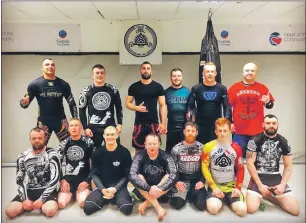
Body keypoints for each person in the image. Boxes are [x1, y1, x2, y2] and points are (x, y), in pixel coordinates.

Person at [246, 114, 300, 216]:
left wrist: (282, 184)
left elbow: (288, 167)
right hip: (259, 176)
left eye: (274, 123)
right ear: (263, 124)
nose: (271, 125)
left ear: (277, 125)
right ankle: (264, 194)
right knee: (250, 208)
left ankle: (270, 196)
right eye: (268, 123)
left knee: (295, 210)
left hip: (275, 176)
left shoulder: (284, 142)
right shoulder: (254, 140)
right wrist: (260, 185)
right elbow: (249, 163)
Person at [5, 127, 61, 218]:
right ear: (30, 139)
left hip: (47, 190)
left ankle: (41, 205)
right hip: (29, 191)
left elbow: (55, 178)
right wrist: (24, 199)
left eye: (40, 138)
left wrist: (41, 200)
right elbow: (19, 179)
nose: (37, 141)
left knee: (50, 211)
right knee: (9, 212)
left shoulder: (52, 154)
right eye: (34, 138)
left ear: (45, 138)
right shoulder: (23, 156)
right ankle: (29, 204)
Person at [20, 58, 78, 144]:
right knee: (39, 146)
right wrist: (24, 102)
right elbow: (24, 104)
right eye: (47, 64)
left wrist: (75, 119)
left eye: (52, 65)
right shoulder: (35, 84)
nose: (50, 66)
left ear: (55, 68)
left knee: (69, 146)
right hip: (44, 122)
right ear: (42, 68)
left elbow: (71, 103)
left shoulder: (63, 84)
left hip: (61, 121)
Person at [83, 126, 133, 216]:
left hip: (119, 187)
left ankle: (114, 197)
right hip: (103, 187)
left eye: (112, 134)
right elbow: (94, 174)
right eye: (108, 135)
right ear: (104, 136)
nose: (110, 137)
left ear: (117, 135)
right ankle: (105, 197)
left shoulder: (125, 152)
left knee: (127, 208)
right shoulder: (97, 153)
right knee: (87, 208)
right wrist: (102, 189)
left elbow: (128, 175)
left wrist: (116, 188)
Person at [228, 62, 275, 157]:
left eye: (252, 70)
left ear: (256, 73)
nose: (249, 72)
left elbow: (270, 105)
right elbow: (227, 107)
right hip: (239, 131)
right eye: (247, 70)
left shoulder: (262, 88)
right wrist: (230, 122)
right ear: (242, 73)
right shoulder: (234, 88)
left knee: (256, 160)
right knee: (238, 159)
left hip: (257, 131)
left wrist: (268, 101)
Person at [129, 133, 178, 221]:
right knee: (138, 176)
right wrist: (148, 188)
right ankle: (159, 209)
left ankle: (146, 203)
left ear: (159, 144)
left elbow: (174, 174)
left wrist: (159, 188)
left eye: (154, 144)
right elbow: (132, 174)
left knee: (168, 176)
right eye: (149, 144)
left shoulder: (166, 156)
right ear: (145, 144)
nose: (152, 146)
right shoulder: (139, 156)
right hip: (144, 189)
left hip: (161, 190)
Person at [202, 118, 246, 216]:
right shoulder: (208, 147)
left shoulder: (236, 148)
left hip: (231, 186)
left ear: (230, 131)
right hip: (216, 185)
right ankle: (222, 199)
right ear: (215, 132)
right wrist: (213, 187)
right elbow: (204, 167)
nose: (222, 133)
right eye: (220, 131)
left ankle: (228, 198)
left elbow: (241, 168)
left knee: (242, 211)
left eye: (225, 131)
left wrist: (238, 187)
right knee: (213, 209)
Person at [126, 61, 167, 153]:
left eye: (148, 69)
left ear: (151, 71)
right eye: (144, 68)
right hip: (139, 124)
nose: (146, 71)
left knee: (155, 150)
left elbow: (162, 105)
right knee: (139, 152)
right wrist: (136, 108)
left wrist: (163, 123)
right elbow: (128, 103)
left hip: (154, 124)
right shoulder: (134, 87)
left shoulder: (158, 87)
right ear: (140, 70)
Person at [187, 62, 231, 145]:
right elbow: (190, 106)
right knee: (202, 151)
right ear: (203, 73)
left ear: (215, 73)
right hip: (200, 126)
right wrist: (190, 122)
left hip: (216, 126)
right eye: (207, 71)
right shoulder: (196, 88)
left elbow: (226, 107)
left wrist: (226, 122)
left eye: (212, 71)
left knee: (215, 149)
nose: (210, 74)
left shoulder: (222, 88)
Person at [79, 64, 123, 148]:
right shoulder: (85, 91)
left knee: (114, 151)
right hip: (93, 129)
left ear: (105, 75)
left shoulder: (113, 90)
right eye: (97, 73)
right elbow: (81, 110)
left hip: (110, 127)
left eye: (102, 73)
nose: (99, 75)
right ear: (93, 75)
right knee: (94, 154)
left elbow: (119, 107)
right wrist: (85, 128)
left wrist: (120, 124)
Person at [57, 118, 94, 209]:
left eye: (76, 125)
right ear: (68, 128)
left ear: (81, 127)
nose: (74, 128)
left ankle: (82, 192)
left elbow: (96, 164)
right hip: (68, 180)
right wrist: (62, 180)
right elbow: (57, 163)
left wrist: (87, 181)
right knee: (61, 204)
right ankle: (71, 193)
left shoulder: (88, 142)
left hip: (83, 180)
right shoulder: (64, 143)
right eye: (71, 126)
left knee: (82, 203)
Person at [170, 122, 207, 211]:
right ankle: (185, 194)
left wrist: (202, 181)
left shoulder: (203, 148)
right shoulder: (176, 149)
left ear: (196, 132)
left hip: (196, 180)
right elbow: (172, 168)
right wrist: (177, 181)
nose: (190, 133)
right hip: (182, 179)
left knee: (201, 206)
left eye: (193, 131)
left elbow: (206, 167)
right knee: (177, 204)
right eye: (188, 130)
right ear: (184, 132)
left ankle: (191, 194)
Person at [165, 68, 190, 153]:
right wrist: (163, 124)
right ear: (171, 78)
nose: (176, 78)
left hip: (185, 126)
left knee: (184, 151)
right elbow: (162, 109)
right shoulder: (166, 92)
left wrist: (191, 124)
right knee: (170, 151)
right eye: (174, 76)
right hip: (171, 126)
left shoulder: (188, 91)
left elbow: (192, 109)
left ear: (182, 77)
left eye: (178, 76)